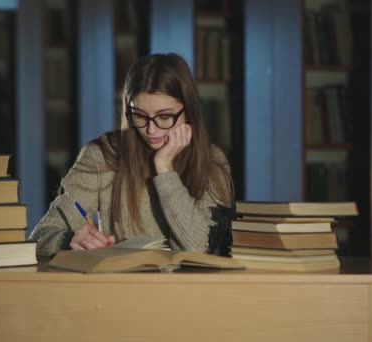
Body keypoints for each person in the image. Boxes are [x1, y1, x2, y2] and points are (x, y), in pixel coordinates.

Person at [29, 53, 233, 261]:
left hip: (189, 292)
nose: (151, 130)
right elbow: (39, 239)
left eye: (164, 117)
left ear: (188, 111)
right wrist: (69, 240)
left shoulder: (212, 161)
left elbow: (198, 249)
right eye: (139, 115)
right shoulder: (103, 155)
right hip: (120, 290)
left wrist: (164, 168)